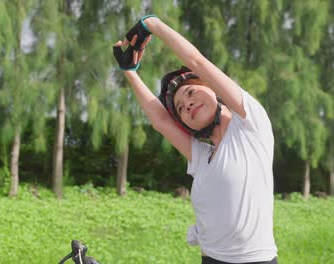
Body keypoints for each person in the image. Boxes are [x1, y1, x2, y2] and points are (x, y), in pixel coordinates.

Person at [113, 15, 278, 264]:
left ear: (214, 89)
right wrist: (130, 72)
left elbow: (196, 62)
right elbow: (161, 122)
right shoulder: (202, 157)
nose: (187, 103)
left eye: (191, 92)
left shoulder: (250, 127)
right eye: (180, 108)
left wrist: (153, 25)